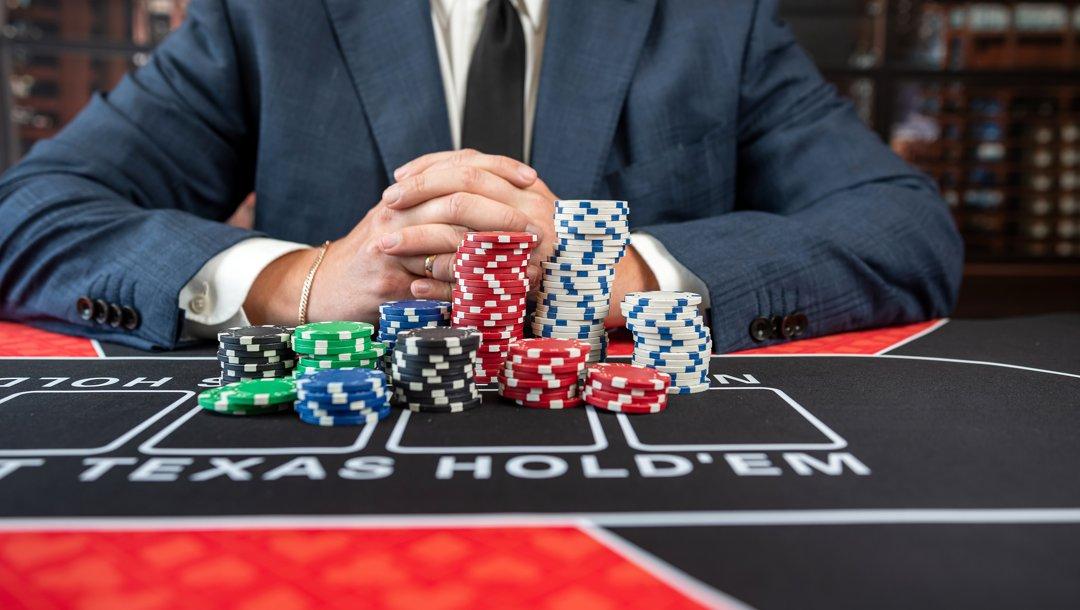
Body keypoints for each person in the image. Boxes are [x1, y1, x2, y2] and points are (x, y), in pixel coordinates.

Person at [0, 0, 963, 352]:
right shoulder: (264, 16)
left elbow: (904, 228)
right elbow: (28, 214)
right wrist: (301, 282)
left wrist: (616, 274)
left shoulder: (716, 19)